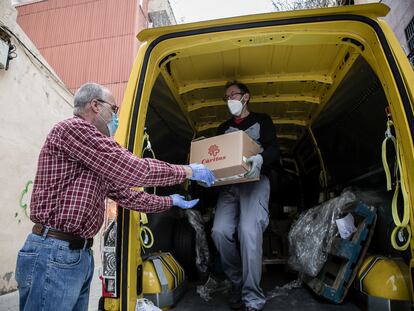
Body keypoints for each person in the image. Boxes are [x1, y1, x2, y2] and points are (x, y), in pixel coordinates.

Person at [15, 82, 215, 311]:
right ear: (95, 106)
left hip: (76, 256)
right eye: (114, 109)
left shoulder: (93, 158)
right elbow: (134, 169)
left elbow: (128, 196)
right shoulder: (74, 130)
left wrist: (170, 201)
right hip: (54, 251)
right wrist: (188, 171)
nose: (116, 117)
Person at [211, 81, 280, 311]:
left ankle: (252, 297)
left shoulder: (263, 121)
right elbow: (217, 159)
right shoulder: (223, 129)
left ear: (246, 97)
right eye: (226, 97)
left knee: (249, 231)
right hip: (230, 186)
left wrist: (261, 159)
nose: (229, 100)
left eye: (233, 95)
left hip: (255, 181)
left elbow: (273, 149)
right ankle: (238, 282)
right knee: (219, 231)